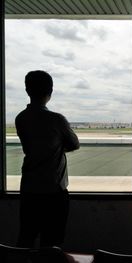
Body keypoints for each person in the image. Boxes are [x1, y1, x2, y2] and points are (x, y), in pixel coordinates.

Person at [16, 70, 80, 247]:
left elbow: (30, 147)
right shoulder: (57, 120)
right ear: (50, 93)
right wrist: (57, 148)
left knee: (26, 238)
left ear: (27, 90)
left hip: (29, 189)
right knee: (52, 244)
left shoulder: (20, 118)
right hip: (54, 192)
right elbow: (75, 144)